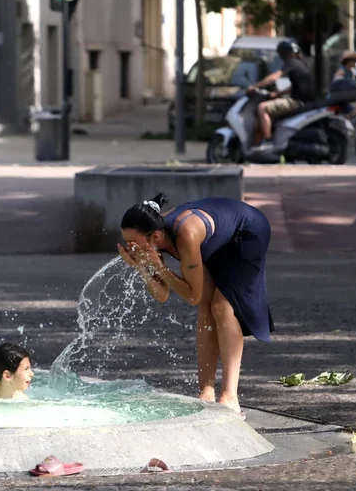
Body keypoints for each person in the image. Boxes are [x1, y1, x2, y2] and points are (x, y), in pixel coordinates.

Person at [118, 193, 274, 417]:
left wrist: (158, 267)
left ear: (155, 237)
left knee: (221, 306)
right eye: (127, 242)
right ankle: (206, 393)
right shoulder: (153, 241)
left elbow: (191, 296)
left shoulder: (186, 234)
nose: (131, 247)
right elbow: (161, 294)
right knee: (206, 307)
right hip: (218, 239)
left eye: (134, 243)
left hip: (248, 233)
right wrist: (142, 267)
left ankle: (230, 397)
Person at [246, 40, 316, 149]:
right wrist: (278, 93)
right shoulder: (301, 63)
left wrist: (255, 86)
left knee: (262, 108)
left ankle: (267, 142)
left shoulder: (291, 62)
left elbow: (274, 78)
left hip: (296, 102)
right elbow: (296, 85)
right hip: (303, 101)